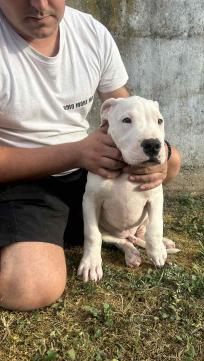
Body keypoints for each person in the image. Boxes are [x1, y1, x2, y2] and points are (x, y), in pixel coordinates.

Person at [0, 0, 181, 311]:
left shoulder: (90, 32)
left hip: (89, 166)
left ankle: (107, 229)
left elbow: (126, 106)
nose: (39, 5)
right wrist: (77, 153)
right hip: (24, 178)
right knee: (30, 287)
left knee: (171, 161)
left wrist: (160, 150)